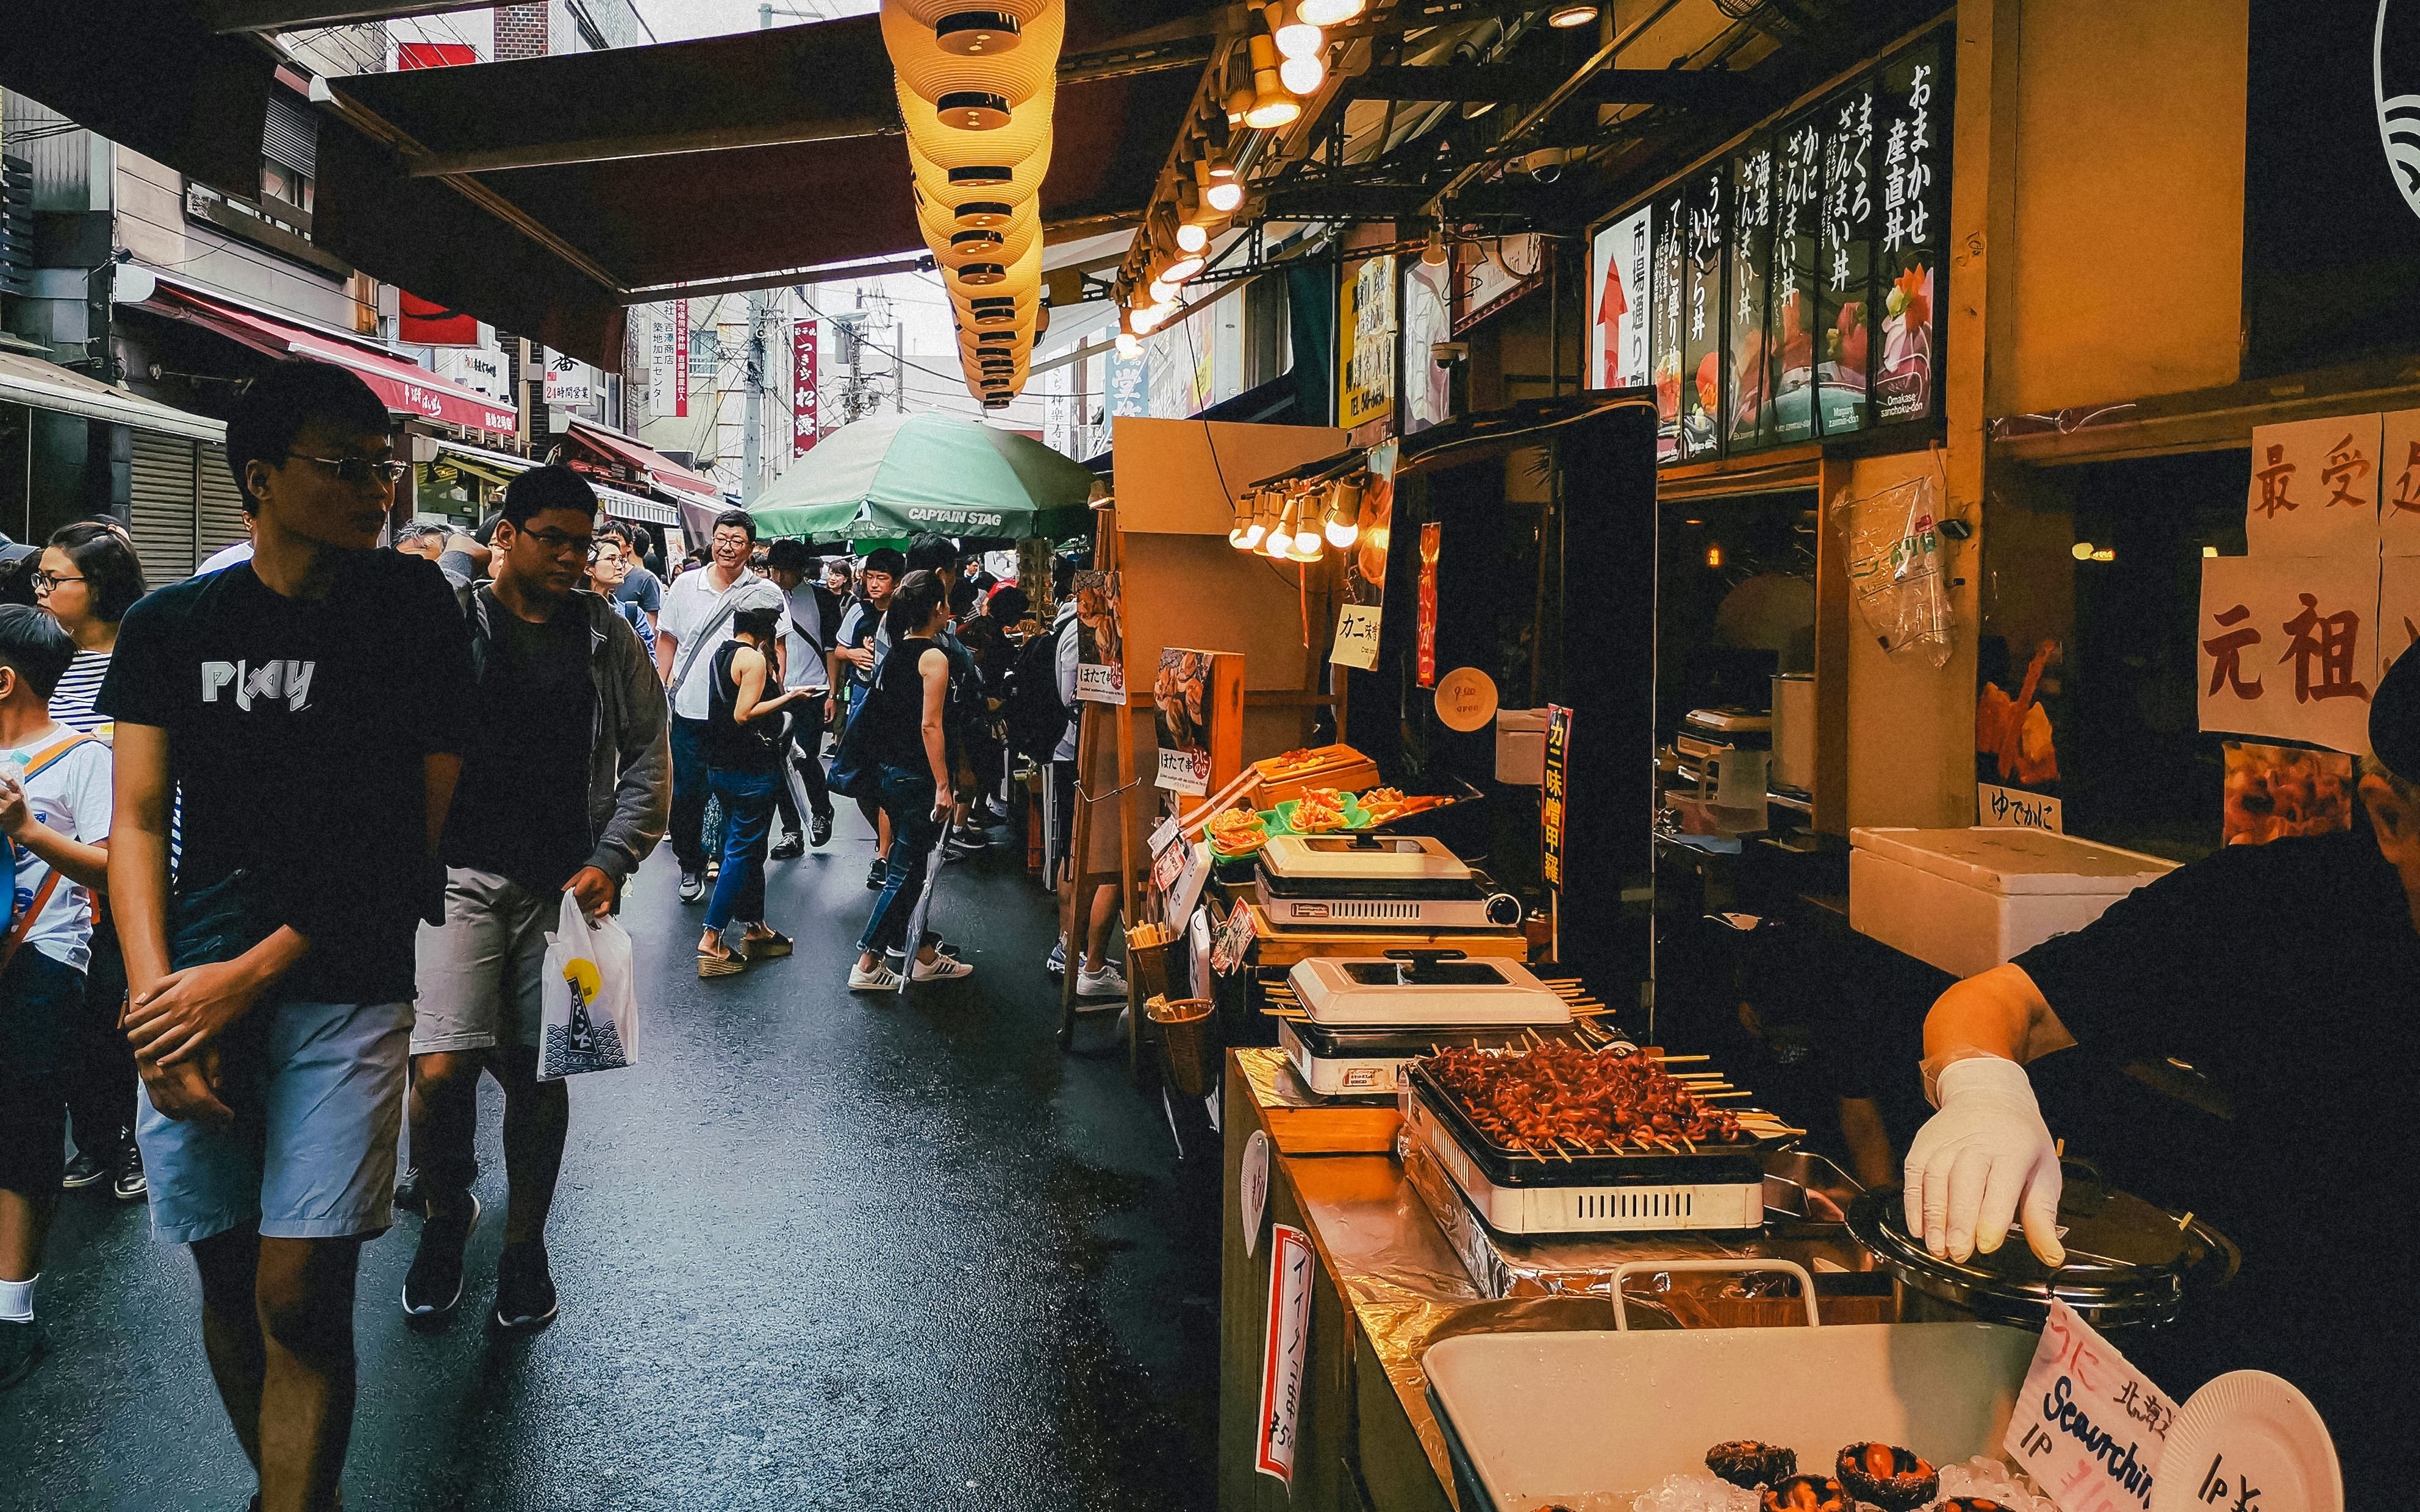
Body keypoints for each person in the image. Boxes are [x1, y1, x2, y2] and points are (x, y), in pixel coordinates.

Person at [1900, 651, 2420, 1504]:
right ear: (2391, 819)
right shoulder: (2285, 910)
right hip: (2256, 1439)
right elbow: (2002, 1002)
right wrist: (1983, 1090)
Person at [102, 358, 474, 1511]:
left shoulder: (412, 610)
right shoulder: (172, 624)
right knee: (226, 1278)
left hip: (342, 982)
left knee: (299, 1292)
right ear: (261, 480)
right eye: (346, 468)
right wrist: (161, 1006)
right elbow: (134, 820)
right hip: (193, 986)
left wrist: (243, 979)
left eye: (385, 467)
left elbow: (412, 830)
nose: (378, 489)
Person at [404, 465, 667, 1329]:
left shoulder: (605, 637)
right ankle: (449, 1213)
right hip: (457, 878)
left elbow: (648, 758)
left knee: (539, 1071)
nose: (572, 558)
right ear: (505, 535)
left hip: (565, 893)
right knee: (439, 1070)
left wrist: (614, 858)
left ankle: (525, 1245)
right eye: (552, 538)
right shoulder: (452, 620)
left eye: (582, 544)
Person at [0, 607, 115, 1391]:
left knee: (24, 1127)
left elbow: (118, 867)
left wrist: (29, 831)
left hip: (41, 961)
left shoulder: (83, 758)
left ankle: (13, 1310)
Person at [36, 521, 148, 1205]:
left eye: (56, 578)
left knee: (117, 1009)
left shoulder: (143, 657)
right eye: (39, 579)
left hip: (122, 867)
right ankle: (93, 1137)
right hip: (43, 871)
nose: (43, 591)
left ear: (98, 586)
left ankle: (127, 1139)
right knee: (70, 1014)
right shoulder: (34, 657)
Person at [847, 571, 973, 993]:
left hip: (891, 773)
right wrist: (943, 784)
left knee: (914, 869)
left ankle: (920, 954)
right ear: (938, 608)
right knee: (905, 872)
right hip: (918, 777)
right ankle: (868, 960)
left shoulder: (895, 652)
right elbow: (930, 726)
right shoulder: (933, 658)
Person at [656, 510, 786, 905]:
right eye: (722, 538)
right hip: (691, 709)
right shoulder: (684, 586)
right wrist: (664, 691)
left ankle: (728, 862)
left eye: (737, 541)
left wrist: (774, 696)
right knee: (688, 793)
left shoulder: (766, 593)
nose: (728, 547)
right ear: (713, 541)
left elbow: (778, 647)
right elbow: (668, 640)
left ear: (752, 548)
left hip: (738, 716)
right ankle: (689, 864)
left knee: (735, 793)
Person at [696, 604, 800, 977]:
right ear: (764, 634)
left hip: (721, 767)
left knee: (748, 848)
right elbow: (744, 713)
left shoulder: (720, 654)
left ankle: (755, 927)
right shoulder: (753, 660)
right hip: (751, 770)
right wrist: (789, 698)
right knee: (740, 852)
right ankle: (712, 938)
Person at [1045, 558, 1126, 999]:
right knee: (1096, 855)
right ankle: (1086, 959)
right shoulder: (1081, 634)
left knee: (1074, 852)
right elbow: (1071, 697)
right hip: (1089, 753)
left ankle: (1070, 947)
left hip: (1074, 753)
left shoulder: (1070, 627)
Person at [832, 548, 903, 890]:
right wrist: (854, 654)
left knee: (886, 777)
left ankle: (884, 854)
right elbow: (838, 651)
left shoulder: (906, 614)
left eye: (882, 578)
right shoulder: (858, 612)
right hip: (861, 699)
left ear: (898, 582)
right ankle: (884, 840)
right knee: (860, 779)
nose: (873, 584)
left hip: (894, 705)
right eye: (869, 577)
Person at [762, 540, 837, 858]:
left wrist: (834, 693)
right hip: (776, 692)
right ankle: (792, 831)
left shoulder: (822, 599)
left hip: (813, 690)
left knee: (804, 756)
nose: (778, 577)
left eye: (785, 571)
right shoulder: (763, 598)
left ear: (801, 571)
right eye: (774, 569)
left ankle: (821, 810)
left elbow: (832, 648)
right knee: (779, 762)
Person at [584, 532, 656, 658]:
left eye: (621, 560)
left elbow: (649, 661)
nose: (619, 566)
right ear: (589, 569)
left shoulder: (632, 613)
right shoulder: (572, 612)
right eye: (611, 559)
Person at [603, 522, 663, 637]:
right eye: (605, 540)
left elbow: (651, 626)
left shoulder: (645, 579)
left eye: (615, 539)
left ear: (630, 546)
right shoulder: (593, 576)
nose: (610, 544)